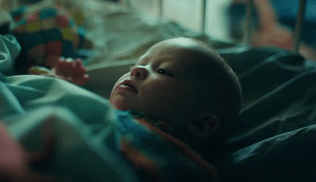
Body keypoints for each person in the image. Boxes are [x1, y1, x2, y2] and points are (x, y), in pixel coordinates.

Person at [41, 37, 242, 154]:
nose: (137, 70)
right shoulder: (96, 110)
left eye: (163, 71)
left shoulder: (172, 160)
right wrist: (57, 85)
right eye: (137, 64)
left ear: (200, 123)